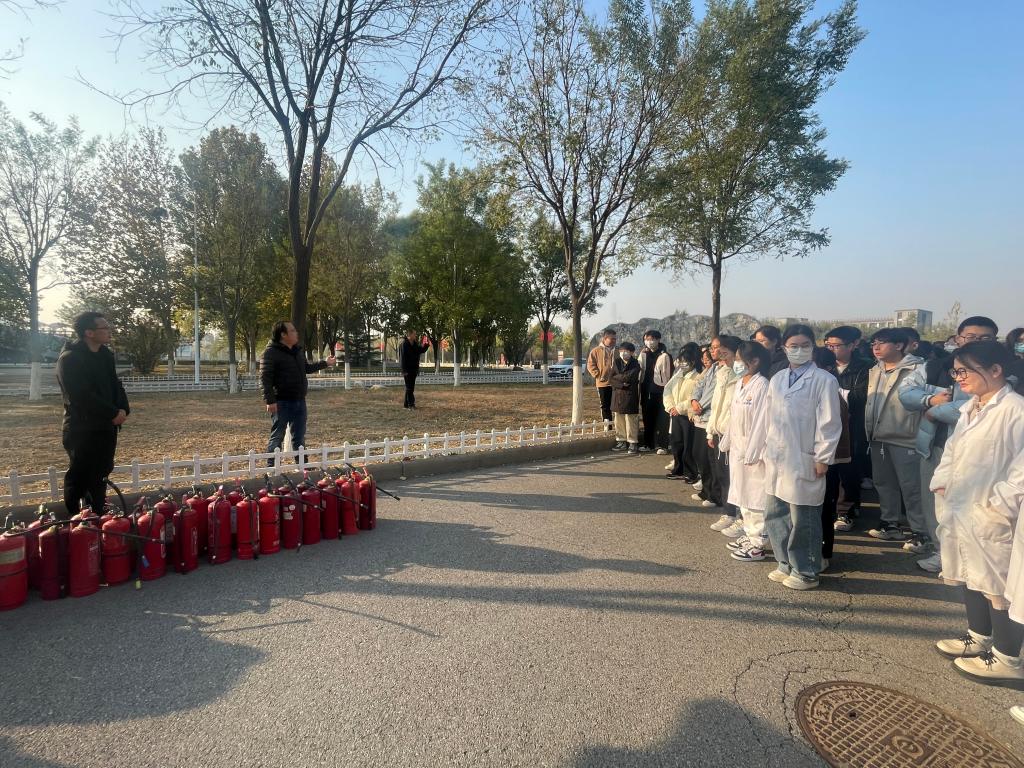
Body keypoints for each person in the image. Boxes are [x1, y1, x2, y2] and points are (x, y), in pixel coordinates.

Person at [930, 341, 1024, 686]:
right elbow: (952, 451)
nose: (959, 377)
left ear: (996, 370)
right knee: (969, 573)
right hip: (961, 505)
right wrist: (941, 481)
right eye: (956, 371)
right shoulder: (972, 407)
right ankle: (979, 636)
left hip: (993, 513)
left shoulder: (1016, 411)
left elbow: (1021, 471)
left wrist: (998, 506)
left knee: (998, 586)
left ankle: (1007, 656)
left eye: (965, 370)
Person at [900, 315, 1000, 573]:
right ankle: (942, 552)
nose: (977, 342)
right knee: (935, 502)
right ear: (958, 339)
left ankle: (971, 556)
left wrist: (936, 411)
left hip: (981, 451)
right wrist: (930, 400)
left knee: (975, 504)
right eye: (971, 337)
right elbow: (906, 392)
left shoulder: (1004, 368)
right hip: (935, 444)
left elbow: (978, 406)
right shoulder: (937, 366)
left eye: (985, 338)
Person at [762, 324, 842, 591]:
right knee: (776, 513)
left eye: (805, 345)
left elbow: (829, 423)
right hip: (777, 457)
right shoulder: (777, 379)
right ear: (784, 348)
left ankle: (806, 570)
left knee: (804, 517)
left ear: (813, 347)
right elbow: (769, 418)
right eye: (793, 346)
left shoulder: (824, 380)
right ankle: (784, 562)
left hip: (805, 456)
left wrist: (823, 457)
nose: (799, 350)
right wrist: (765, 450)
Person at [55, 312, 130, 519]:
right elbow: (80, 396)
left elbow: (115, 384)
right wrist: (112, 413)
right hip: (82, 429)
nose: (109, 331)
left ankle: (97, 513)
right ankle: (78, 520)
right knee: (80, 474)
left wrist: (123, 409)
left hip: (106, 426)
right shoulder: (70, 359)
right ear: (89, 333)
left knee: (101, 472)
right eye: (104, 328)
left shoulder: (105, 355)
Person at [864, 328, 927, 546]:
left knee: (912, 487)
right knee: (884, 483)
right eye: (873, 343)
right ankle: (890, 524)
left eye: (881, 343)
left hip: (905, 436)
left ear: (899, 345)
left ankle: (921, 531)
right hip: (878, 436)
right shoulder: (875, 369)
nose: (876, 347)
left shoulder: (918, 369)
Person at [722, 341, 771, 562]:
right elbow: (734, 417)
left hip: (755, 453)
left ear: (755, 361)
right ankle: (750, 535)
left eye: (739, 360)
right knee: (742, 494)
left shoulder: (762, 385)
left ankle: (758, 543)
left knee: (756, 498)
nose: (736, 364)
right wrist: (726, 440)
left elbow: (762, 422)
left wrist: (753, 450)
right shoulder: (740, 383)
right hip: (738, 450)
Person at [261, 320, 335, 459]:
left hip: (299, 400)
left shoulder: (297, 351)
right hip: (281, 402)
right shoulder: (270, 352)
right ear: (283, 334)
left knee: (299, 436)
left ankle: (302, 466)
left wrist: (325, 363)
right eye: (292, 331)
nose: (296, 333)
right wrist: (270, 401)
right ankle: (272, 467)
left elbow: (306, 368)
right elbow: (265, 379)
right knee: (277, 436)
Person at [824, 326, 870, 532]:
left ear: (853, 345)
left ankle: (846, 511)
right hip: (827, 425)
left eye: (836, 345)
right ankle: (830, 507)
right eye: (828, 345)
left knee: (849, 470)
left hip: (853, 425)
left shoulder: (864, 368)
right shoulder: (824, 366)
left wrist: (838, 398)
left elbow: (862, 397)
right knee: (828, 469)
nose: (831, 349)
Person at [813, 346, 851, 571]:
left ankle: (823, 553)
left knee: (824, 508)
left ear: (827, 368)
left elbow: (832, 430)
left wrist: (823, 459)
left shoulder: (830, 391)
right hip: (808, 459)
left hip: (826, 462)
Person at [706, 335, 741, 535]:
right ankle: (729, 513)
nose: (721, 355)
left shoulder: (742, 375)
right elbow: (716, 404)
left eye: (725, 352)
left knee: (733, 477)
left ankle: (735, 514)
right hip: (719, 432)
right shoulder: (721, 372)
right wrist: (710, 431)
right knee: (722, 476)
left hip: (734, 435)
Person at [662, 343, 703, 481]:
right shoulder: (678, 374)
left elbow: (695, 397)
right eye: (681, 361)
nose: (682, 364)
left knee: (688, 445)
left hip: (687, 415)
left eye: (685, 361)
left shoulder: (698, 376)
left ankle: (691, 472)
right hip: (675, 414)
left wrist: (679, 408)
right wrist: (670, 407)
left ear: (693, 362)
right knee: (676, 443)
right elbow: (667, 390)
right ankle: (678, 469)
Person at [690, 345, 722, 509]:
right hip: (700, 417)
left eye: (716, 347)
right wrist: (694, 400)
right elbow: (699, 385)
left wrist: (699, 405)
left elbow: (714, 393)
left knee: (711, 460)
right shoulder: (712, 368)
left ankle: (715, 495)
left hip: (709, 417)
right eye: (712, 348)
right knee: (699, 455)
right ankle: (706, 490)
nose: (713, 351)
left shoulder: (725, 370)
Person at [638, 330, 672, 453]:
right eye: (647, 339)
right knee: (647, 418)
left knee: (662, 418)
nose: (649, 342)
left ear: (658, 340)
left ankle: (663, 445)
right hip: (646, 390)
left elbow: (669, 374)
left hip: (660, 391)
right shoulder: (643, 354)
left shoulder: (665, 355)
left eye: (652, 339)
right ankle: (648, 444)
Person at [609, 342, 641, 456]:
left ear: (632, 352)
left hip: (630, 395)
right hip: (617, 395)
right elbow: (610, 379)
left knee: (630, 419)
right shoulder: (617, 362)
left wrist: (618, 378)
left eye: (626, 351)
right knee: (618, 419)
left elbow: (630, 377)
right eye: (621, 351)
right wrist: (622, 384)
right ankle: (621, 441)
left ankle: (632, 442)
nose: (623, 353)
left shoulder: (635, 364)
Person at [587, 329, 618, 427]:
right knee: (605, 406)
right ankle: (608, 427)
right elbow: (590, 364)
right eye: (612, 339)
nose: (614, 341)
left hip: (616, 383)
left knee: (617, 405)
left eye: (615, 339)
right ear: (605, 338)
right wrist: (598, 375)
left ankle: (619, 426)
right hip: (602, 383)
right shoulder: (595, 351)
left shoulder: (618, 350)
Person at [399, 330, 431, 409]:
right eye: (414, 334)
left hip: (414, 369)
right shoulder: (404, 344)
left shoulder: (414, 344)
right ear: (409, 335)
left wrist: (426, 345)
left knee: (410, 388)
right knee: (409, 388)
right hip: (407, 369)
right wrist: (404, 370)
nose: (415, 335)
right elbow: (402, 358)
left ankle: (406, 405)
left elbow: (420, 350)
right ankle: (411, 405)